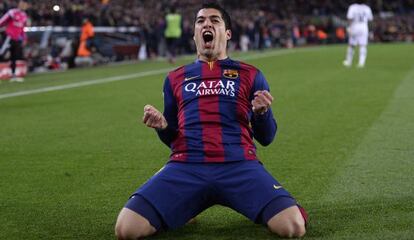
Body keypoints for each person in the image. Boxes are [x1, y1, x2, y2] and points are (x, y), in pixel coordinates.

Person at [115, 3, 307, 239]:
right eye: (200, 21)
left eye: (215, 20)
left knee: (293, 228)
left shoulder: (251, 74)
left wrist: (261, 114)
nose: (206, 24)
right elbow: (173, 138)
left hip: (239, 165)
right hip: (187, 165)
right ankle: (186, 206)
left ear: (227, 34)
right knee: (127, 229)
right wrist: (163, 127)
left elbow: (267, 138)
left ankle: (189, 206)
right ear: (195, 34)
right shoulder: (175, 78)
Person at [0, 0, 28, 82]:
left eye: (24, 4)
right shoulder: (12, 12)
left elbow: (22, 29)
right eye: (22, 3)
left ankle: (13, 75)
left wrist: (24, 38)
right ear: (19, 4)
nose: (23, 5)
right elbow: (2, 21)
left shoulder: (24, 15)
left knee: (14, 57)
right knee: (2, 53)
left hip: (17, 39)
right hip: (8, 37)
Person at [343, 0, 373, 68]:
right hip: (364, 27)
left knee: (351, 45)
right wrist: (371, 31)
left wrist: (349, 27)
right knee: (363, 45)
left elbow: (350, 18)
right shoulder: (367, 8)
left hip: (355, 26)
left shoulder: (352, 7)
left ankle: (348, 62)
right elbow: (370, 20)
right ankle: (361, 63)